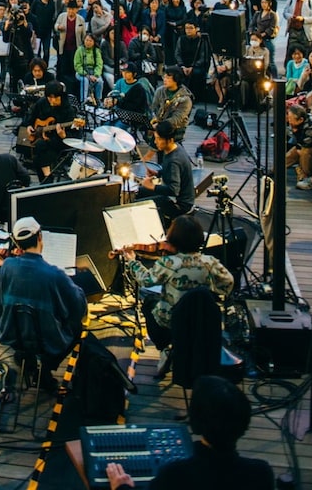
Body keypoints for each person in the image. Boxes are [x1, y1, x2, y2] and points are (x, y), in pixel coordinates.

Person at [106, 375, 273, 489]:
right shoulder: (261, 474)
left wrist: (122, 487)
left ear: (196, 422)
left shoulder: (174, 476)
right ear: (244, 424)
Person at [119, 214, 233, 379]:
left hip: (171, 325)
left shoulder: (169, 263)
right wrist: (211, 296)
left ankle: (166, 347)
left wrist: (132, 261)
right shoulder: (210, 262)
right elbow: (229, 283)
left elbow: (145, 280)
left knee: (149, 302)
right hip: (202, 323)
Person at [0, 215, 87, 391]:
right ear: (40, 237)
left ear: (18, 245)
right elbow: (78, 308)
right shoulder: (55, 274)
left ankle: (25, 358)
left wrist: (0, 266)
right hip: (47, 340)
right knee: (77, 328)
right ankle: (45, 371)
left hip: (14, 334)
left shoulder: (7, 266)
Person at [135, 119, 195, 225]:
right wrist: (157, 173)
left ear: (170, 140)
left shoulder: (174, 160)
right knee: (138, 191)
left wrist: (152, 186)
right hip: (176, 198)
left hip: (179, 205)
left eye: (158, 139)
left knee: (138, 205)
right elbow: (173, 172)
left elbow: (174, 190)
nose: (155, 141)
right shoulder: (175, 148)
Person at [26, 79, 83, 182]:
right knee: (40, 150)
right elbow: (31, 116)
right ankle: (47, 179)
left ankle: (46, 180)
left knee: (40, 150)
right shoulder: (42, 103)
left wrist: (63, 135)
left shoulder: (69, 111)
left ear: (61, 96)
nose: (52, 101)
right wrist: (29, 125)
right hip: (43, 138)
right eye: (49, 98)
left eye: (55, 98)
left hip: (60, 142)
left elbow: (76, 135)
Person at [150, 66, 192, 142]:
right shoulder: (160, 91)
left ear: (176, 79)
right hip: (159, 121)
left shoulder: (185, 98)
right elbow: (154, 107)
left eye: (168, 78)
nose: (165, 80)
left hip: (176, 127)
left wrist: (160, 126)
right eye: (164, 77)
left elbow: (177, 119)